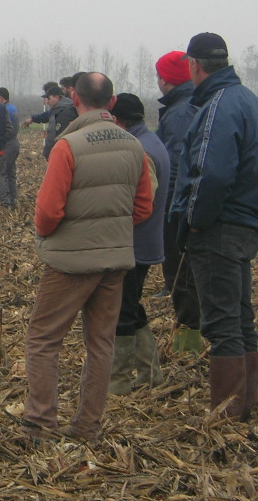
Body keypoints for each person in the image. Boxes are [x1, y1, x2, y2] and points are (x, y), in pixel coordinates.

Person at [23, 72, 154, 442]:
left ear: (75, 99)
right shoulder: (134, 146)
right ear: (111, 102)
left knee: (43, 339)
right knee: (101, 344)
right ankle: (87, 428)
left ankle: (40, 425)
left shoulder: (68, 146)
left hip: (70, 262)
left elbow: (48, 212)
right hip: (115, 261)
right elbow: (143, 208)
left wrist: (49, 236)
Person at [170, 32, 258, 421]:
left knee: (222, 324)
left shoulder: (219, 106)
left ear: (194, 65)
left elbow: (213, 174)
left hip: (219, 227)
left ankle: (226, 416)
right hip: (245, 225)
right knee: (240, 319)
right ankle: (246, 405)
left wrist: (194, 222)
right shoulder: (247, 100)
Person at [107, 93, 170, 394]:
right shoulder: (149, 141)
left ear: (117, 121)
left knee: (121, 309)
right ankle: (150, 373)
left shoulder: (141, 150)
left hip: (134, 244)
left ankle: (118, 381)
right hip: (140, 242)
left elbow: (142, 204)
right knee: (130, 305)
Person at [154, 50, 202, 351]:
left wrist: (167, 205)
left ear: (165, 79)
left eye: (158, 76)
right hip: (184, 200)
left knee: (182, 271)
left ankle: (189, 344)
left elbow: (176, 164)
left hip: (177, 203)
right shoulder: (185, 104)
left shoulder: (182, 112)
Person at [23, 84, 75, 160]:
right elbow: (45, 116)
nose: (47, 102)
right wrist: (33, 119)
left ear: (56, 97)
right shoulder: (55, 110)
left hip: (61, 155)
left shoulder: (68, 112)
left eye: (49, 98)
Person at [0, 87, 21, 204]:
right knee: (11, 173)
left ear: (1, 98)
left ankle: (6, 200)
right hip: (14, 143)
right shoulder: (13, 108)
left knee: (3, 172)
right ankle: (12, 197)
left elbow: (7, 129)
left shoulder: (5, 110)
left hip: (8, 145)